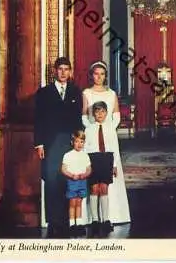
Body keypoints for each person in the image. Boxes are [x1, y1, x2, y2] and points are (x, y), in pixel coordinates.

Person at [34, 57, 83, 238]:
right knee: (52, 181)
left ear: (70, 71)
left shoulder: (75, 92)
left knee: (67, 181)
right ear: (55, 71)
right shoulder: (44, 93)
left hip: (69, 143)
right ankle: (53, 222)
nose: (63, 72)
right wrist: (39, 144)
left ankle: (65, 221)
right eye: (60, 69)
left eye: (66, 69)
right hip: (50, 143)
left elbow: (78, 120)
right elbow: (38, 120)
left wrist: (79, 143)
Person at [81, 60, 130, 226]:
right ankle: (94, 219)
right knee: (94, 181)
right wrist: (94, 128)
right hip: (92, 137)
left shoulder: (111, 93)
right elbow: (84, 116)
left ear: (106, 76)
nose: (99, 77)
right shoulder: (87, 93)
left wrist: (106, 127)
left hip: (108, 136)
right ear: (91, 75)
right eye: (96, 74)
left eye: (102, 74)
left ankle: (111, 216)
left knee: (108, 180)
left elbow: (116, 116)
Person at [85, 101, 120, 237]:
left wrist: (115, 165)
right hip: (93, 158)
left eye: (102, 111)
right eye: (97, 111)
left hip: (107, 158)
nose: (100, 114)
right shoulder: (89, 129)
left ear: (106, 113)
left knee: (104, 188)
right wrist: (86, 164)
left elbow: (115, 147)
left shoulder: (111, 128)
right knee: (94, 188)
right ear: (93, 113)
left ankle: (105, 219)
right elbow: (86, 148)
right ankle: (95, 220)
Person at [61, 130, 92, 237]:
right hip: (72, 181)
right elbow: (63, 169)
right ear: (72, 142)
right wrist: (71, 175)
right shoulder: (68, 155)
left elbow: (89, 169)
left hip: (82, 181)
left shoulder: (85, 155)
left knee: (79, 202)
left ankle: (79, 224)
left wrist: (85, 174)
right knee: (72, 203)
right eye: (77, 142)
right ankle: (72, 225)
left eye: (82, 142)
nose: (79, 144)